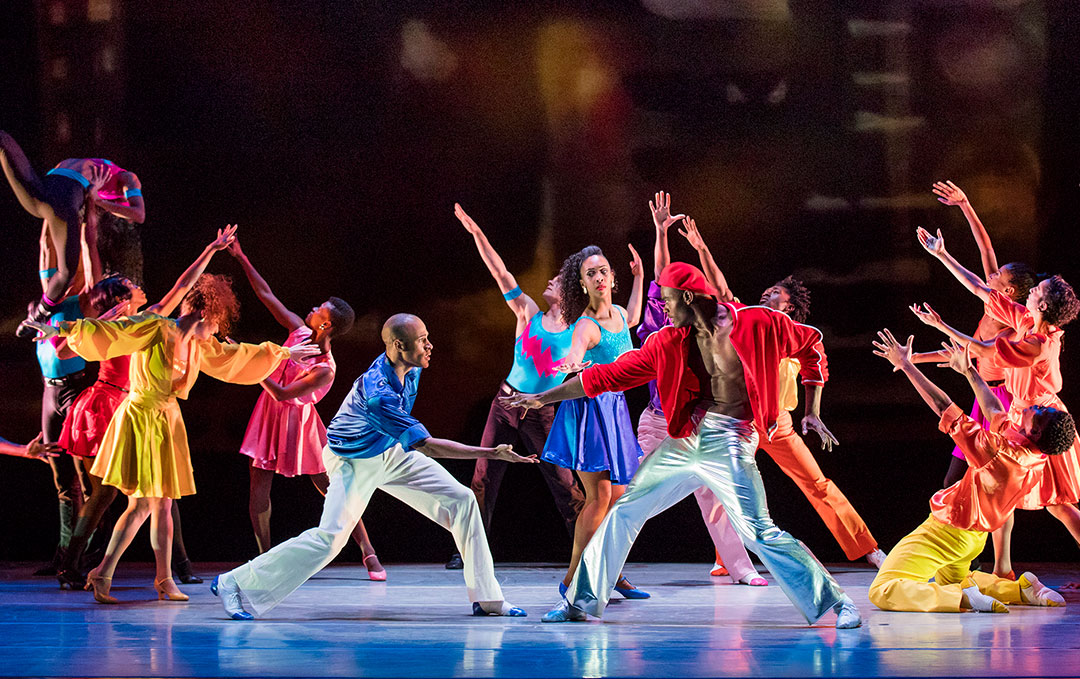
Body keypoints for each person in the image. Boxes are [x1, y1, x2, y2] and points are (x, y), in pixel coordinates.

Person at [504, 262, 861, 628]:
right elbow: (607, 377)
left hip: (732, 439)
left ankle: (837, 603)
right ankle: (580, 601)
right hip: (687, 438)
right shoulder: (667, 342)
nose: (663, 309)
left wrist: (813, 407)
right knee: (624, 510)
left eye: (668, 301)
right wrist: (544, 398)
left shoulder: (759, 323)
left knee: (759, 532)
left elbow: (812, 344)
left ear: (688, 297)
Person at [27, 226, 320, 605]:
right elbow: (118, 327)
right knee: (143, 505)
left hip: (166, 422)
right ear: (208, 312)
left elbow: (239, 357)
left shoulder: (200, 346)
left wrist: (283, 354)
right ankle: (107, 572)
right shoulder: (156, 327)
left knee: (156, 505)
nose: (220, 329)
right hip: (140, 417)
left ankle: (157, 578)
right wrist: (59, 327)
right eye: (220, 320)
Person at [211, 314, 536, 620]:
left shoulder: (411, 365)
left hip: (388, 450)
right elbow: (429, 446)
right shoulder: (379, 395)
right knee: (330, 540)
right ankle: (233, 583)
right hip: (352, 461)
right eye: (422, 340)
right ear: (399, 346)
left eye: (427, 339)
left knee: (462, 501)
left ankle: (488, 597)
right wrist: (491, 453)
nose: (429, 346)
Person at [675, 215, 886, 568]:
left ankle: (868, 549)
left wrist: (812, 411)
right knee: (725, 486)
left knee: (817, 483)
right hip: (740, 421)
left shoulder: (792, 333)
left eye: (775, 292)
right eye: (767, 290)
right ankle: (728, 559)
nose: (766, 294)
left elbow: (815, 365)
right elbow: (721, 290)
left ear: (788, 306)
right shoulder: (744, 316)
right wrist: (701, 248)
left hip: (778, 423)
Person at [913, 226, 1080, 569]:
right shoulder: (1027, 321)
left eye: (1038, 290)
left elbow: (984, 349)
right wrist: (941, 254)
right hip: (1020, 413)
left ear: (1043, 304)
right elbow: (981, 288)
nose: (1032, 290)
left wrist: (941, 326)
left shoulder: (1037, 344)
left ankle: (1001, 566)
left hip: (1041, 421)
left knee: (1057, 504)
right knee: (1002, 491)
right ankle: (1001, 567)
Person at [869, 330, 1070, 612]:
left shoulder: (997, 451)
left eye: (1035, 410)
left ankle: (962, 599)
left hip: (949, 529)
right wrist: (969, 371)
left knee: (883, 589)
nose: (1032, 405)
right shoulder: (1035, 455)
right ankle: (1021, 590)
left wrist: (906, 365)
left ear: (1033, 431)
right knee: (957, 578)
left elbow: (944, 408)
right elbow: (994, 411)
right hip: (974, 539)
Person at [227, 238, 385, 579]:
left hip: (298, 424)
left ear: (325, 325)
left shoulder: (325, 367)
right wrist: (241, 256)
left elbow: (284, 394)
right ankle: (264, 558)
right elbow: (266, 295)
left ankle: (368, 551)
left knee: (332, 486)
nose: (312, 309)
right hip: (268, 418)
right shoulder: (298, 332)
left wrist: (252, 362)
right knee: (259, 486)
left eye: (319, 310)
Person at [444, 204, 584, 569]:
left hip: (543, 411)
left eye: (556, 280)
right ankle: (469, 551)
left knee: (565, 485)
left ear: (569, 293)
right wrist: (477, 233)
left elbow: (620, 322)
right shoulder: (527, 312)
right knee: (482, 478)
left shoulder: (578, 332)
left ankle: (589, 550)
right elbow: (500, 271)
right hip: (504, 405)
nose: (549, 282)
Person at [910, 181, 1035, 576]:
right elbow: (985, 250)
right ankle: (979, 562)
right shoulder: (995, 302)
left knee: (990, 487)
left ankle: (994, 564)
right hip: (979, 395)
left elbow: (968, 353)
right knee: (961, 483)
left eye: (997, 277)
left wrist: (937, 329)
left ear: (1009, 290)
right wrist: (965, 205)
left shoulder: (1012, 326)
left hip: (997, 405)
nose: (991, 275)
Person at [639, 193, 765, 585]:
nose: (667, 300)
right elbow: (662, 275)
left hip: (697, 428)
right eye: (664, 296)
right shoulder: (661, 328)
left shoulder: (702, 329)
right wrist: (660, 232)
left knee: (715, 498)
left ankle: (742, 568)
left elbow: (723, 295)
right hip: (656, 423)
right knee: (631, 495)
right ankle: (601, 566)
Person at [541, 244, 649, 599]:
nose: (599, 277)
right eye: (591, 274)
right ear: (582, 284)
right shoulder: (585, 325)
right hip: (590, 410)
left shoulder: (618, 312)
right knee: (600, 496)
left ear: (611, 277)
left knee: (619, 497)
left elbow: (633, 315)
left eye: (603, 271)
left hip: (614, 409)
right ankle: (572, 579)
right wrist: (571, 363)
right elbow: (576, 349)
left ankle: (611, 572)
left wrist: (639, 275)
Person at [0, 130, 143, 331]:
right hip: (59, 202)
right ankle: (38, 316)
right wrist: (99, 200)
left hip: (45, 189)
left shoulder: (94, 170)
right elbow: (138, 214)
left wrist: (94, 200)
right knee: (66, 272)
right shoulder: (129, 178)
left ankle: (39, 313)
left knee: (4, 143)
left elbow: (89, 225)